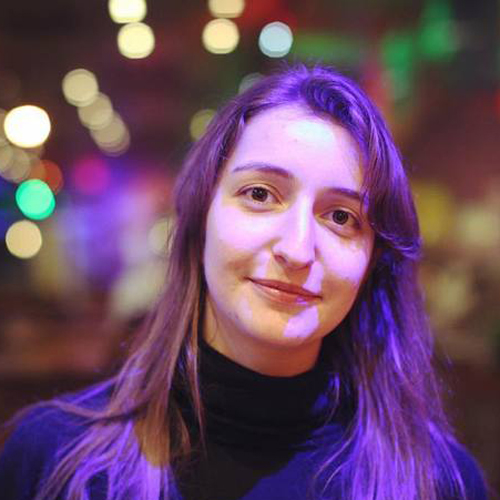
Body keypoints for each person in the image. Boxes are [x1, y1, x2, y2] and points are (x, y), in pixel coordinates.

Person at [0, 63, 489, 500]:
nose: (297, 250)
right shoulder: (54, 459)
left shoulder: (436, 481)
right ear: (200, 216)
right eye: (260, 194)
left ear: (373, 260)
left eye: (341, 217)